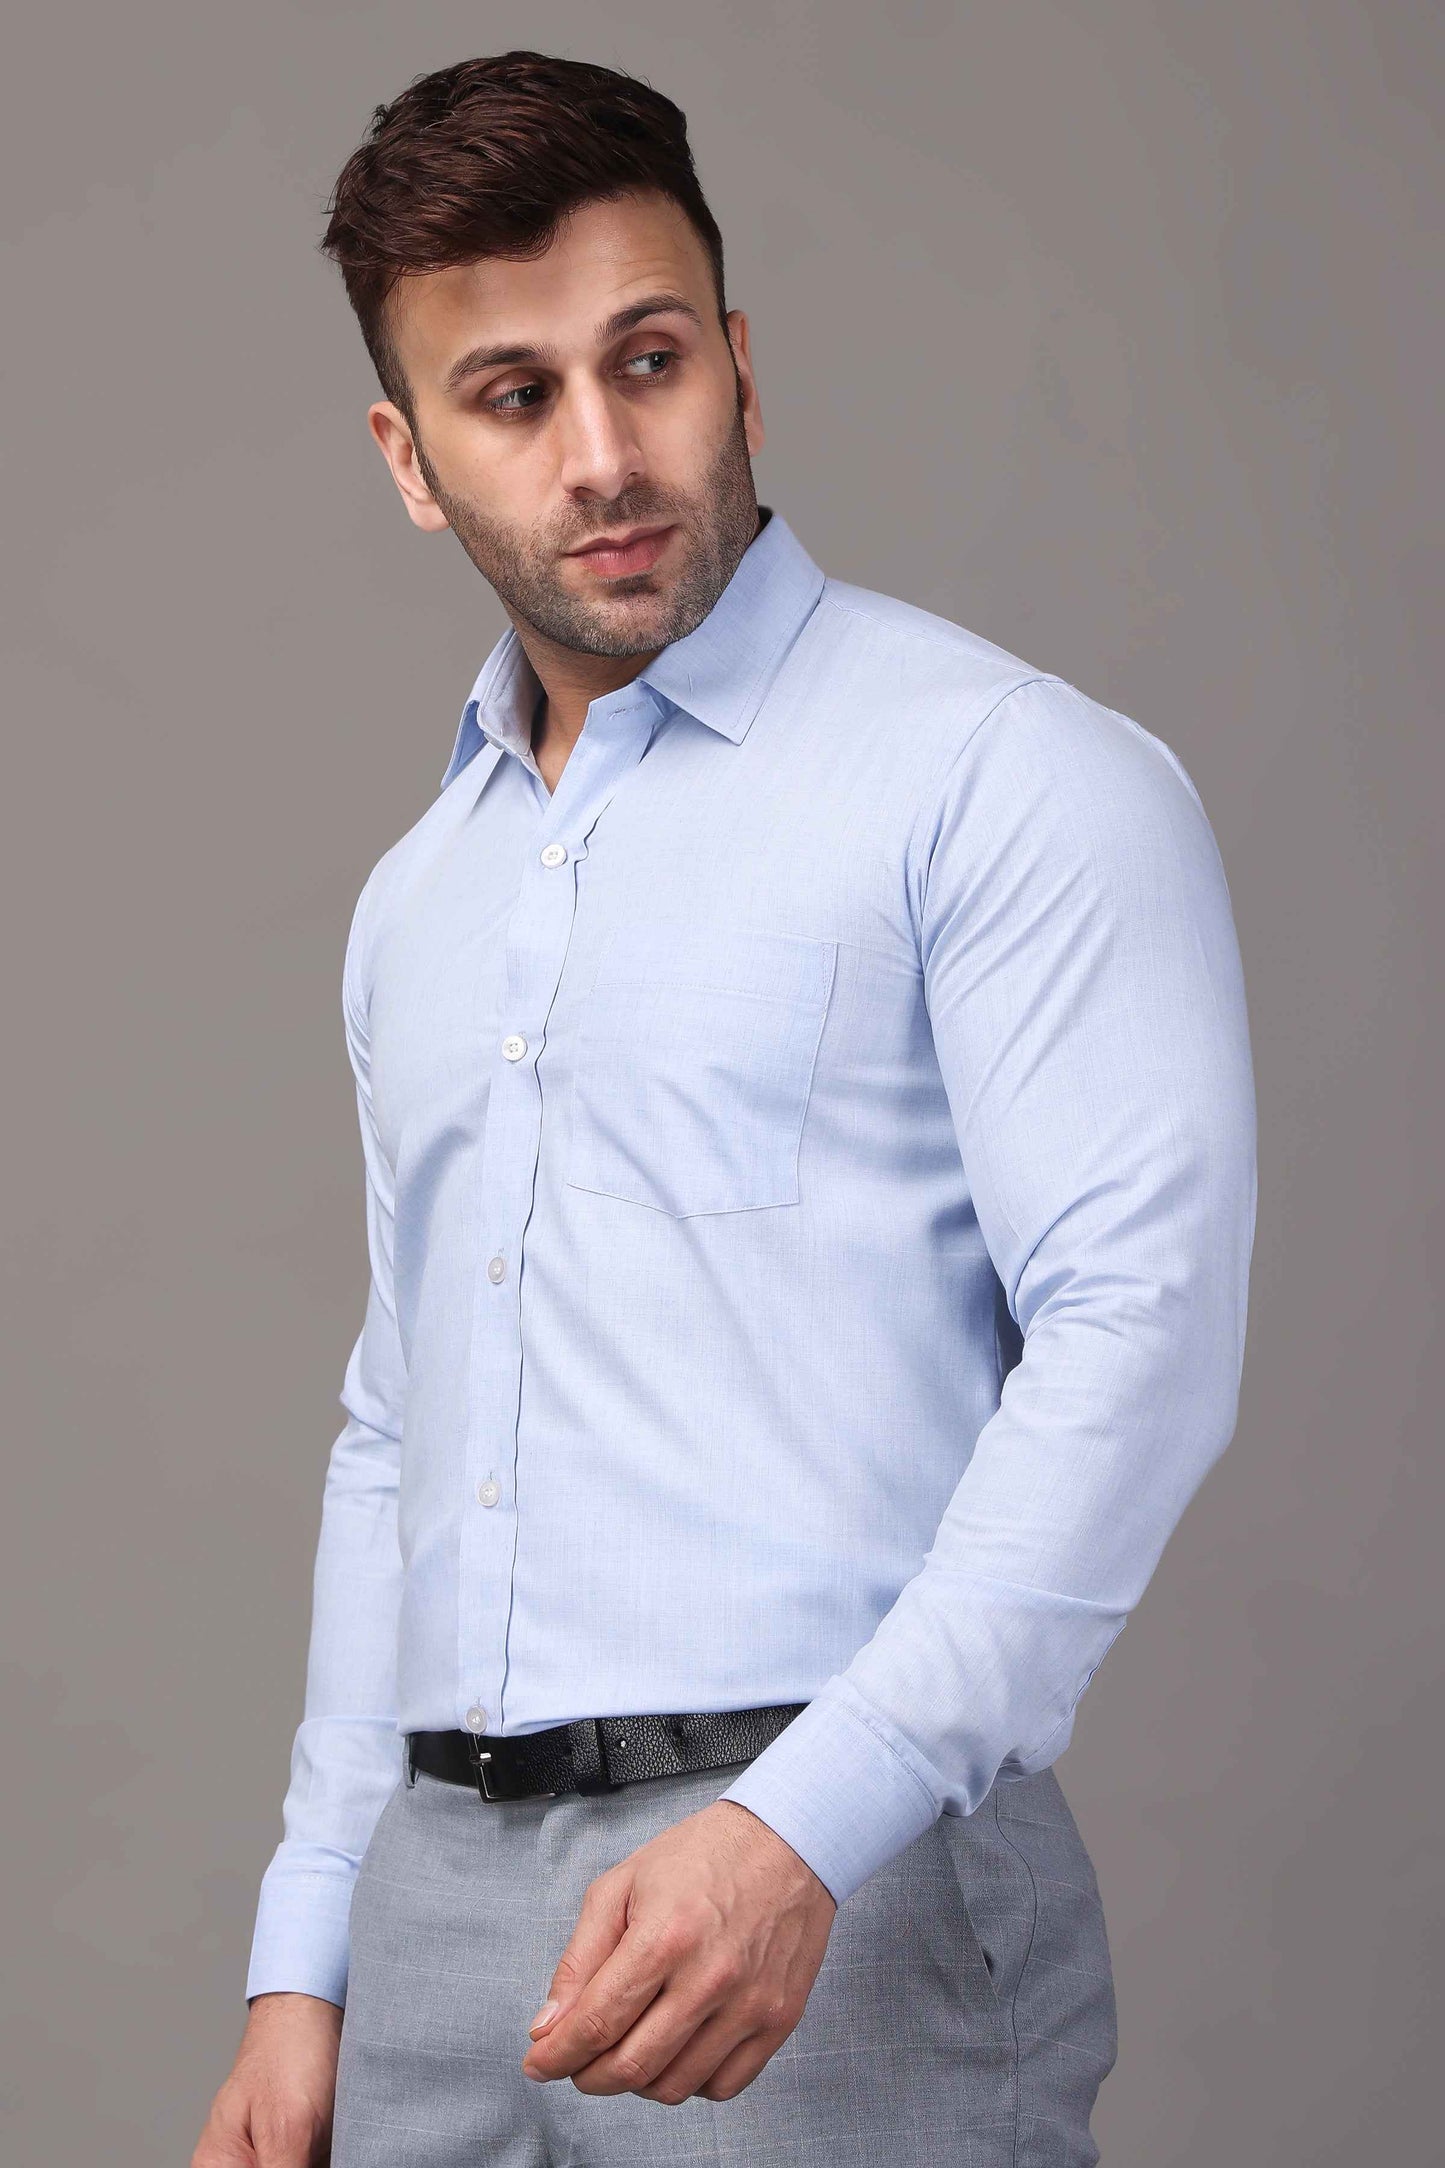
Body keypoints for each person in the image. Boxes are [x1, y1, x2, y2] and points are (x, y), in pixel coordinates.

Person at [192, 47, 1257, 2168]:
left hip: (839, 1880)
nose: (604, 455)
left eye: (649, 360)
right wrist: (308, 1955)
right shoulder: (420, 900)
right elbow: (398, 1424)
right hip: (431, 1921)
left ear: (742, 362)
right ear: (412, 461)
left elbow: (1140, 1339)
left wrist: (804, 1828)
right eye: (514, 398)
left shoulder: (1002, 777)